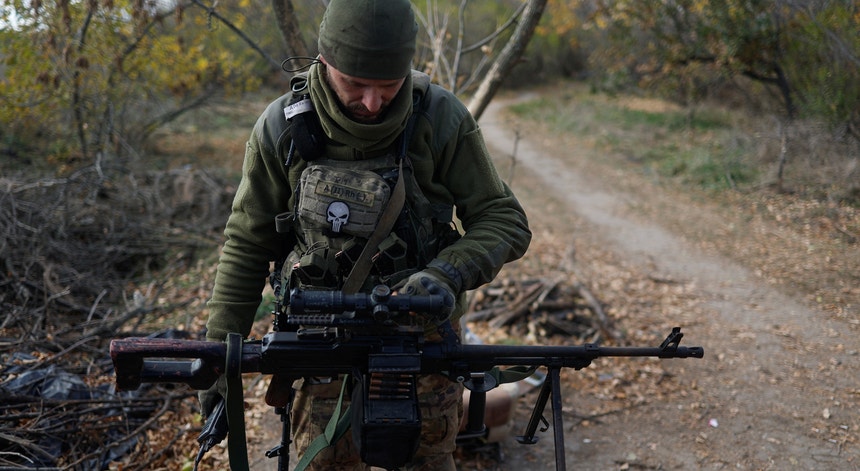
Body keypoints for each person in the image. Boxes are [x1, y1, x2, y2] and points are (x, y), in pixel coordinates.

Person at [199, 0, 531, 469]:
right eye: (356, 84)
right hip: (318, 350)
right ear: (324, 62)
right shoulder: (282, 127)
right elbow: (247, 245)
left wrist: (444, 275)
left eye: (389, 86)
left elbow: (504, 218)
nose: (373, 102)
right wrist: (220, 371)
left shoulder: (439, 119)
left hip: (423, 349)